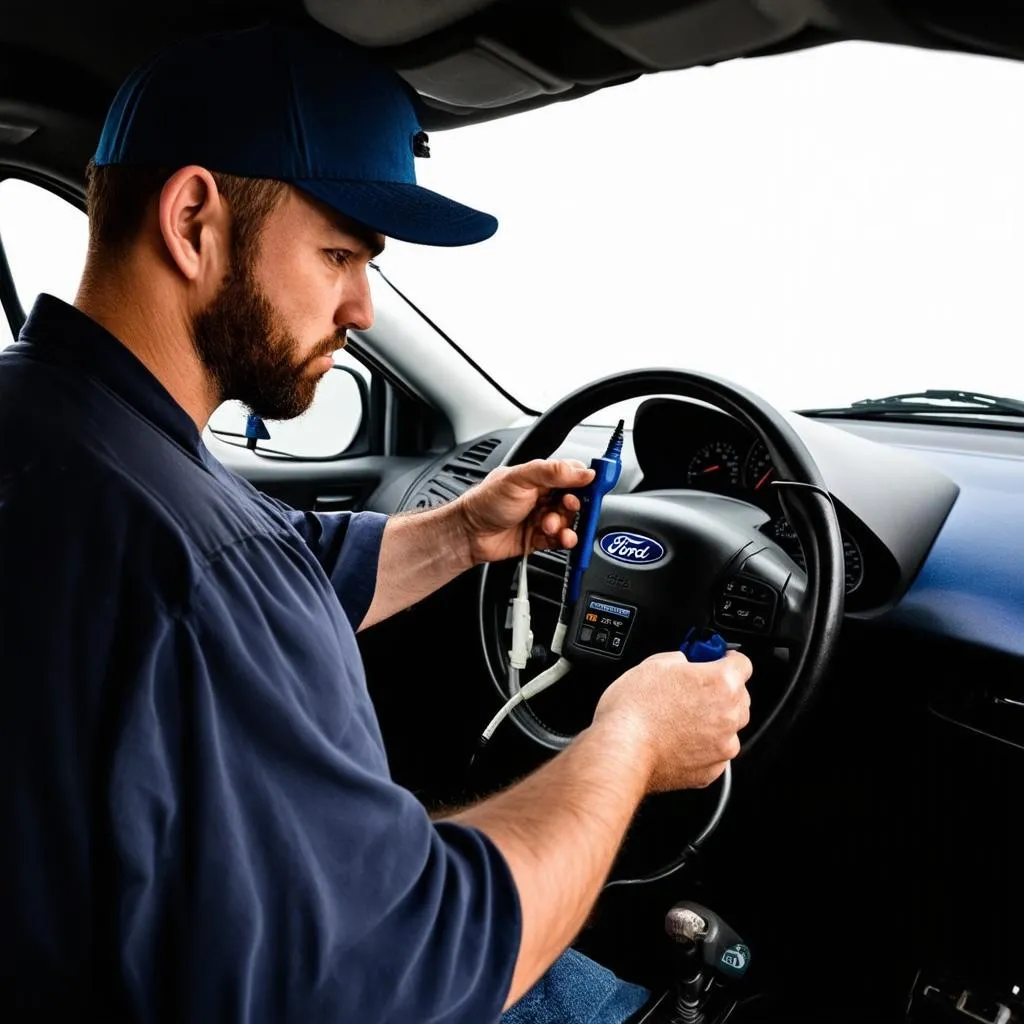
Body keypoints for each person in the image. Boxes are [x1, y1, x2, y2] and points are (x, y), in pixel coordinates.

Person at [0, 18, 753, 1024]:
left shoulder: (50, 428)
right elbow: (401, 971)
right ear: (191, 220)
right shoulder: (201, 564)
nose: (360, 306)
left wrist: (464, 531)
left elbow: (271, 567)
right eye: (339, 253)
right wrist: (631, 740)